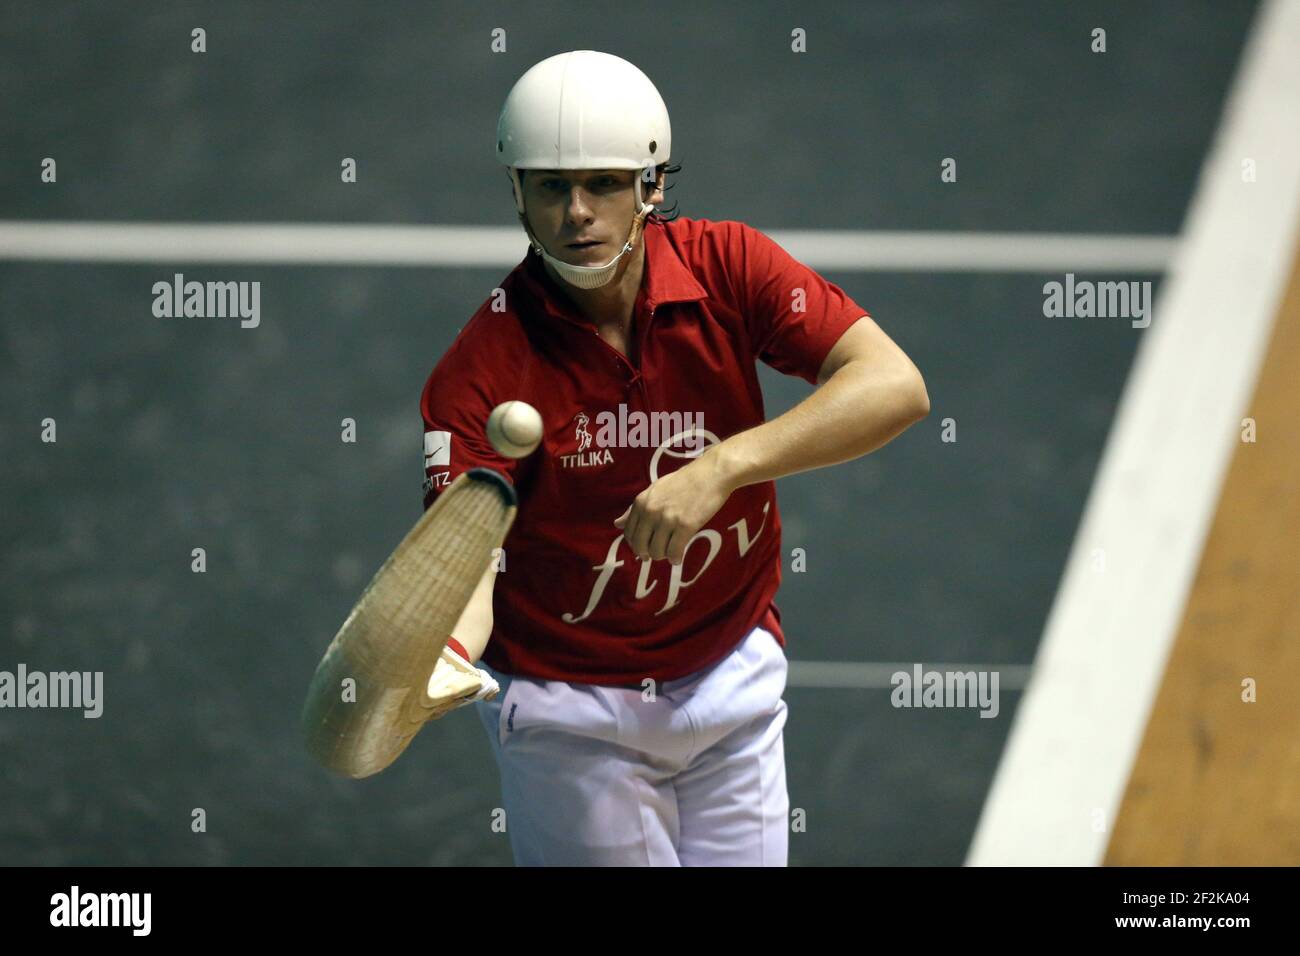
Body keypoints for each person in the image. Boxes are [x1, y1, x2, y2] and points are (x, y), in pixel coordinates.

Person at [419, 50, 929, 866]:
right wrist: (440, 648)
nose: (577, 214)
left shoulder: (730, 267)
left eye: (604, 185)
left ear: (650, 186)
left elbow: (894, 386)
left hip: (730, 673)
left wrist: (721, 468)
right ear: (517, 193)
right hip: (572, 716)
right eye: (551, 187)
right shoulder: (479, 372)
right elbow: (468, 564)